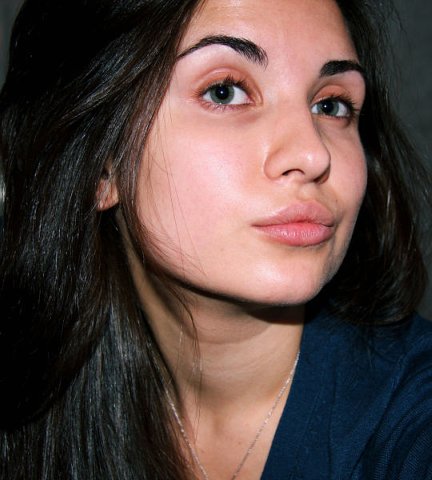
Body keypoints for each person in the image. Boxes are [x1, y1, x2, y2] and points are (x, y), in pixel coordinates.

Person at [0, 0, 431, 478]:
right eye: (225, 92)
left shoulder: (411, 425)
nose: (313, 154)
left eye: (330, 105)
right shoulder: (30, 405)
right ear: (101, 166)